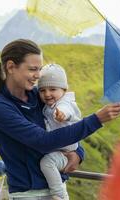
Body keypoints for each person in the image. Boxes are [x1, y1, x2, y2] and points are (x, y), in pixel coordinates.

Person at [0, 39, 120, 200]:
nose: (38, 76)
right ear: (11, 67)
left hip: (56, 189)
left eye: (39, 69)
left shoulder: (38, 94)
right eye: (32, 69)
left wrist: (78, 152)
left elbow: (65, 125)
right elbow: (43, 141)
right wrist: (96, 119)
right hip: (28, 195)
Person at [38, 63, 82, 200]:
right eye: (42, 90)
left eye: (52, 89)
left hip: (65, 153)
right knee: (47, 161)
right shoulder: (48, 106)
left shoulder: (64, 104)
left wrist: (62, 115)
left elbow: (67, 111)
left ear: (63, 90)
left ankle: (58, 194)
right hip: (58, 150)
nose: (47, 94)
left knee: (47, 163)